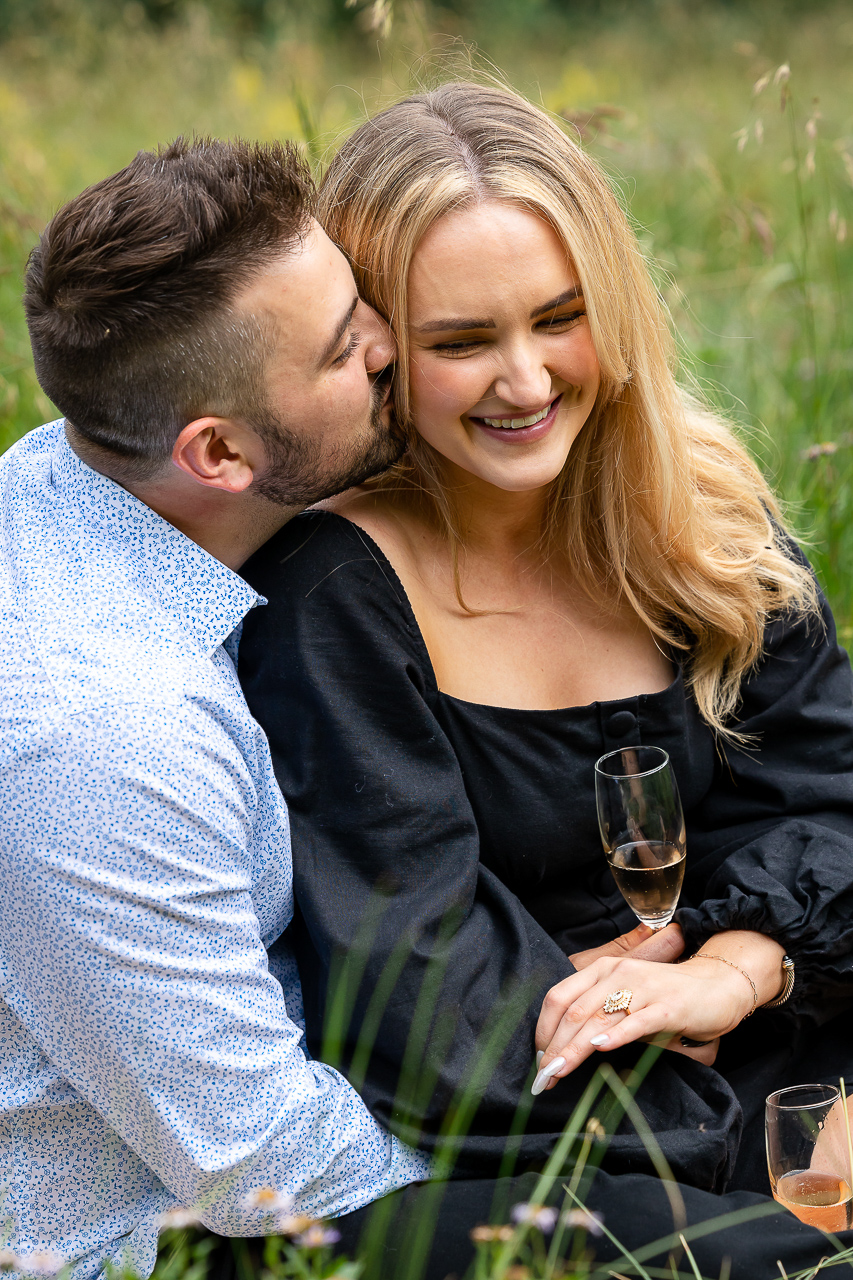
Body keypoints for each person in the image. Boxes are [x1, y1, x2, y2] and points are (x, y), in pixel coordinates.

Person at [237, 82, 853, 1276]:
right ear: (374, 353)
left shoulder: (699, 514)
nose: (524, 382)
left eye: (557, 318)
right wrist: (771, 1148)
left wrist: (733, 967)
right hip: (554, 1132)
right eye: (461, 342)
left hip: (779, 1017)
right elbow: (427, 1003)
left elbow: (833, 801)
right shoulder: (334, 595)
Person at [0, 136, 438, 1280]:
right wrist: (537, 1192)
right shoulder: (99, 733)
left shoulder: (69, 472)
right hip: (153, 1241)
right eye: (348, 349)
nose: (391, 346)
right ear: (220, 451)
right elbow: (258, 1162)